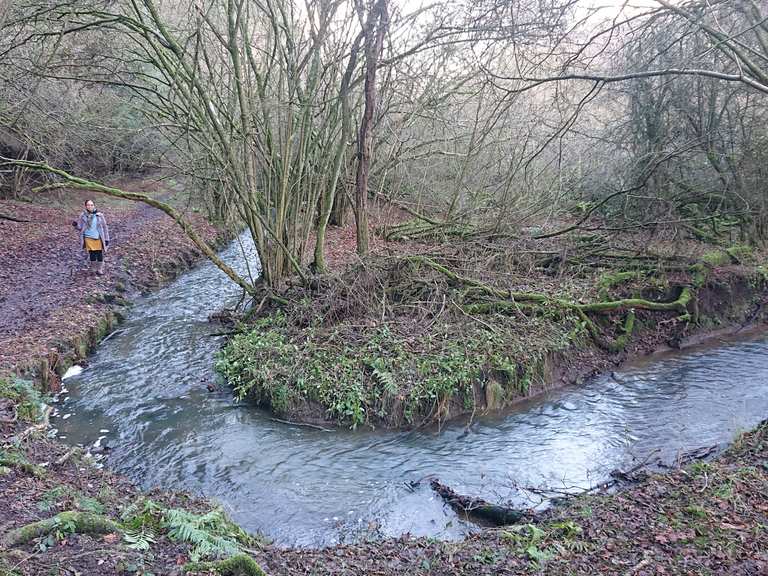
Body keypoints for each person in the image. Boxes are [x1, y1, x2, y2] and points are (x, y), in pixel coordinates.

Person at [72, 199, 110, 275]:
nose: (90, 206)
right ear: (86, 206)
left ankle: (99, 269)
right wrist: (75, 225)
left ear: (94, 205)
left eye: (91, 205)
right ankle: (93, 269)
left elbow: (105, 227)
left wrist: (106, 239)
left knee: (99, 253)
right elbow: (80, 228)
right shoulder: (83, 215)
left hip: (98, 237)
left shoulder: (99, 215)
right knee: (92, 253)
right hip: (88, 237)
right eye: (88, 205)